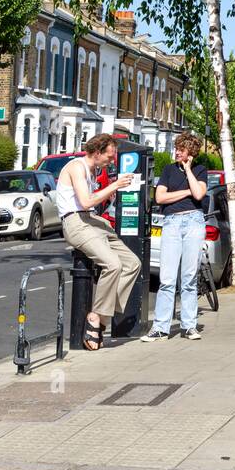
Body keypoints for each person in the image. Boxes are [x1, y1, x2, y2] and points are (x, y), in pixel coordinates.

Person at [57, 133, 141, 352]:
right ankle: (96, 318)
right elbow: (85, 202)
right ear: (96, 152)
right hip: (75, 222)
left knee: (132, 264)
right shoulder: (77, 167)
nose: (112, 161)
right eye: (110, 156)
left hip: (92, 219)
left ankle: (102, 315)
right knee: (113, 265)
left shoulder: (94, 170)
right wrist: (114, 186)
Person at [142, 132, 209, 342]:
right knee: (167, 279)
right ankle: (161, 327)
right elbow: (160, 197)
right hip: (171, 222)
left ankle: (189, 326)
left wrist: (189, 170)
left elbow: (200, 194)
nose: (177, 151)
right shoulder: (168, 170)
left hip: (194, 222)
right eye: (177, 148)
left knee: (189, 278)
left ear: (190, 152)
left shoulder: (200, 170)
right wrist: (187, 192)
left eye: (181, 149)